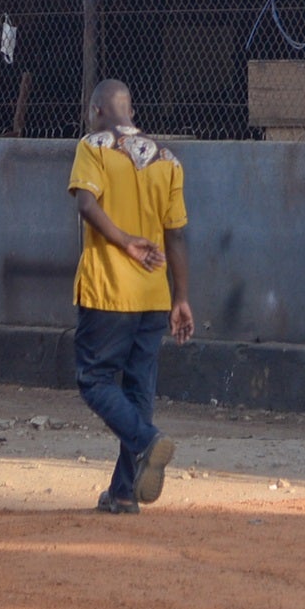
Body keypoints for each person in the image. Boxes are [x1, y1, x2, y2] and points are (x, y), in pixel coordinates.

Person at [68, 78, 194, 514]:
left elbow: (86, 204)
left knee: (95, 380)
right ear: (132, 111)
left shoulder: (94, 146)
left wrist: (124, 241)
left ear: (97, 110)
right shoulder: (168, 159)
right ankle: (124, 493)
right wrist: (181, 298)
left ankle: (146, 441)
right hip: (154, 294)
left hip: (108, 290)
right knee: (140, 390)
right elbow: (176, 234)